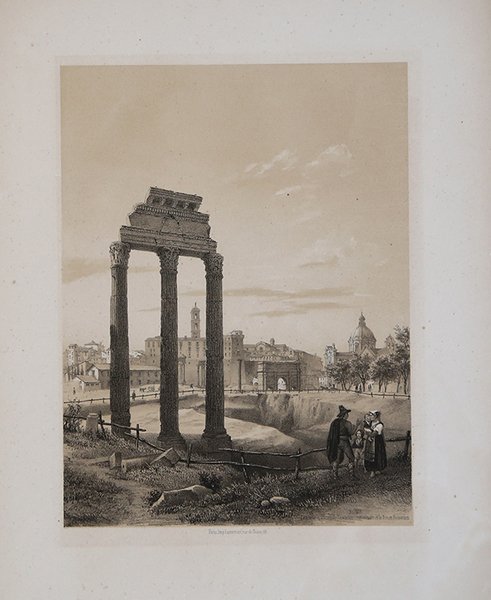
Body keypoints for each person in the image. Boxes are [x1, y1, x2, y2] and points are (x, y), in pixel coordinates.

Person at [326, 405, 356, 478]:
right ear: (345, 415)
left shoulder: (334, 422)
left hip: (336, 442)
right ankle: (351, 475)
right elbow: (351, 432)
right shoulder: (347, 423)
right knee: (351, 458)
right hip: (345, 442)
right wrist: (356, 426)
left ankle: (335, 476)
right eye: (347, 414)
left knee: (337, 459)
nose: (348, 415)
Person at [364, 410, 387, 477]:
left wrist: (367, 432)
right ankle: (372, 470)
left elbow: (373, 434)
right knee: (369, 455)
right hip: (370, 442)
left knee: (377, 455)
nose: (370, 416)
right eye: (370, 415)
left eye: (372, 415)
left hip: (377, 442)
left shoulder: (379, 425)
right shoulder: (370, 423)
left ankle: (375, 470)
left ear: (375, 416)